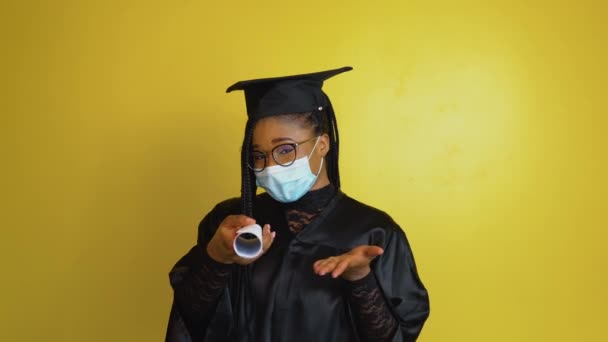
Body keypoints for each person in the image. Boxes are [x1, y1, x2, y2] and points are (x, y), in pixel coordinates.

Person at [165, 66, 430, 342]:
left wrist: (360, 278)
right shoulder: (233, 224)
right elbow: (191, 322)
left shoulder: (373, 232)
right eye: (258, 155)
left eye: (285, 149)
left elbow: (395, 338)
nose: (269, 166)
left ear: (323, 144)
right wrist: (217, 258)